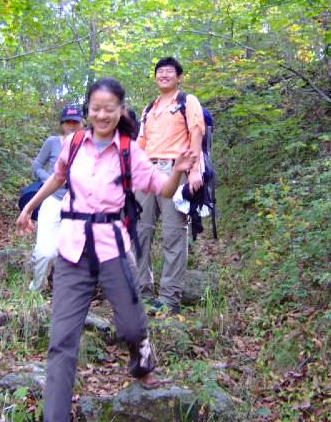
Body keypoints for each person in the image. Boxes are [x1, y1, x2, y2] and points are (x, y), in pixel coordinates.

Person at [16, 77, 196, 422]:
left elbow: (162, 188)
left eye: (109, 109)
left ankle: (142, 362)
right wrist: (31, 206)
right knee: (61, 342)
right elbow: (57, 177)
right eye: (96, 109)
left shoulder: (130, 151)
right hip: (73, 250)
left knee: (131, 326)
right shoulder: (73, 143)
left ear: (121, 111)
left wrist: (177, 171)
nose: (101, 115)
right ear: (88, 110)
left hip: (113, 247)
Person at [136, 57, 205, 314]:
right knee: (140, 232)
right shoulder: (149, 109)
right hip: (147, 172)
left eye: (169, 71)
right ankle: (142, 293)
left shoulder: (187, 101)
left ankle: (169, 299)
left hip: (175, 170)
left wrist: (195, 170)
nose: (164, 75)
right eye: (160, 71)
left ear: (179, 77)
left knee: (173, 234)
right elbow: (141, 143)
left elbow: (196, 133)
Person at [27, 105, 84, 292]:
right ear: (62, 124)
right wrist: (51, 180)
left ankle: (63, 289)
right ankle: (36, 289)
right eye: (68, 122)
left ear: (82, 123)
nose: (72, 125)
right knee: (45, 252)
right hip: (52, 200)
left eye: (76, 122)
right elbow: (36, 166)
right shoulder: (52, 142)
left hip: (78, 205)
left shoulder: (89, 145)